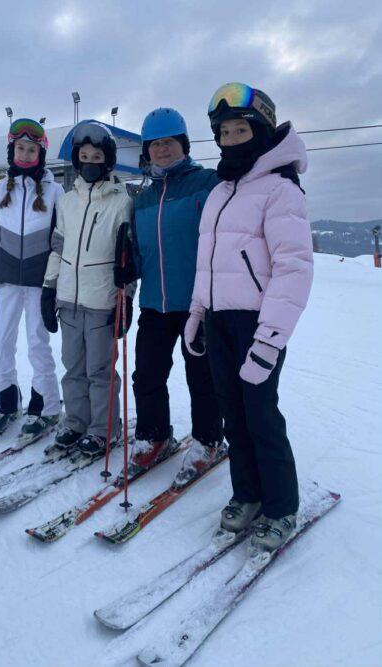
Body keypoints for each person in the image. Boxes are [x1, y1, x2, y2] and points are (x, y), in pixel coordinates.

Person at [185, 82, 314, 551]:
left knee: (261, 416)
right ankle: (248, 493)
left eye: (240, 130)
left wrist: (270, 338)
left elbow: (293, 269)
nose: (231, 139)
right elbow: (207, 262)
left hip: (257, 323)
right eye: (224, 132)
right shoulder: (221, 192)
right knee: (233, 417)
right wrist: (198, 312)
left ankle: (281, 508)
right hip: (219, 320)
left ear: (260, 131)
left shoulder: (280, 190)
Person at [115, 107, 224, 483]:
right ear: (146, 152)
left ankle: (209, 440)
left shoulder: (207, 183)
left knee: (202, 378)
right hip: (155, 305)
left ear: (184, 145)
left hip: (199, 305)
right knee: (146, 374)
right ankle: (154, 435)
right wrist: (127, 273)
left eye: (169, 143)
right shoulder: (142, 200)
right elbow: (139, 253)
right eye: (154, 145)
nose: (162, 150)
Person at [42, 121, 134, 455]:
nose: (90, 162)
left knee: (100, 370)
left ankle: (104, 428)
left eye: (97, 157)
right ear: (77, 161)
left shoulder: (121, 203)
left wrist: (127, 300)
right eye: (84, 157)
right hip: (68, 300)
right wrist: (49, 288)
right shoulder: (67, 202)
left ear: (107, 161)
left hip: (101, 302)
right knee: (73, 368)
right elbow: (57, 248)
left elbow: (127, 259)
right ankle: (76, 422)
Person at [0, 118, 62, 437]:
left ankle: (46, 407)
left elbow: (60, 241)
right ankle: (5, 404)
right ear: (12, 151)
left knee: (38, 344)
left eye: (32, 150)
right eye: (21, 148)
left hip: (39, 283)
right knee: (2, 343)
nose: (26, 154)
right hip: (7, 281)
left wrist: (55, 285)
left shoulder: (55, 191)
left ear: (41, 155)